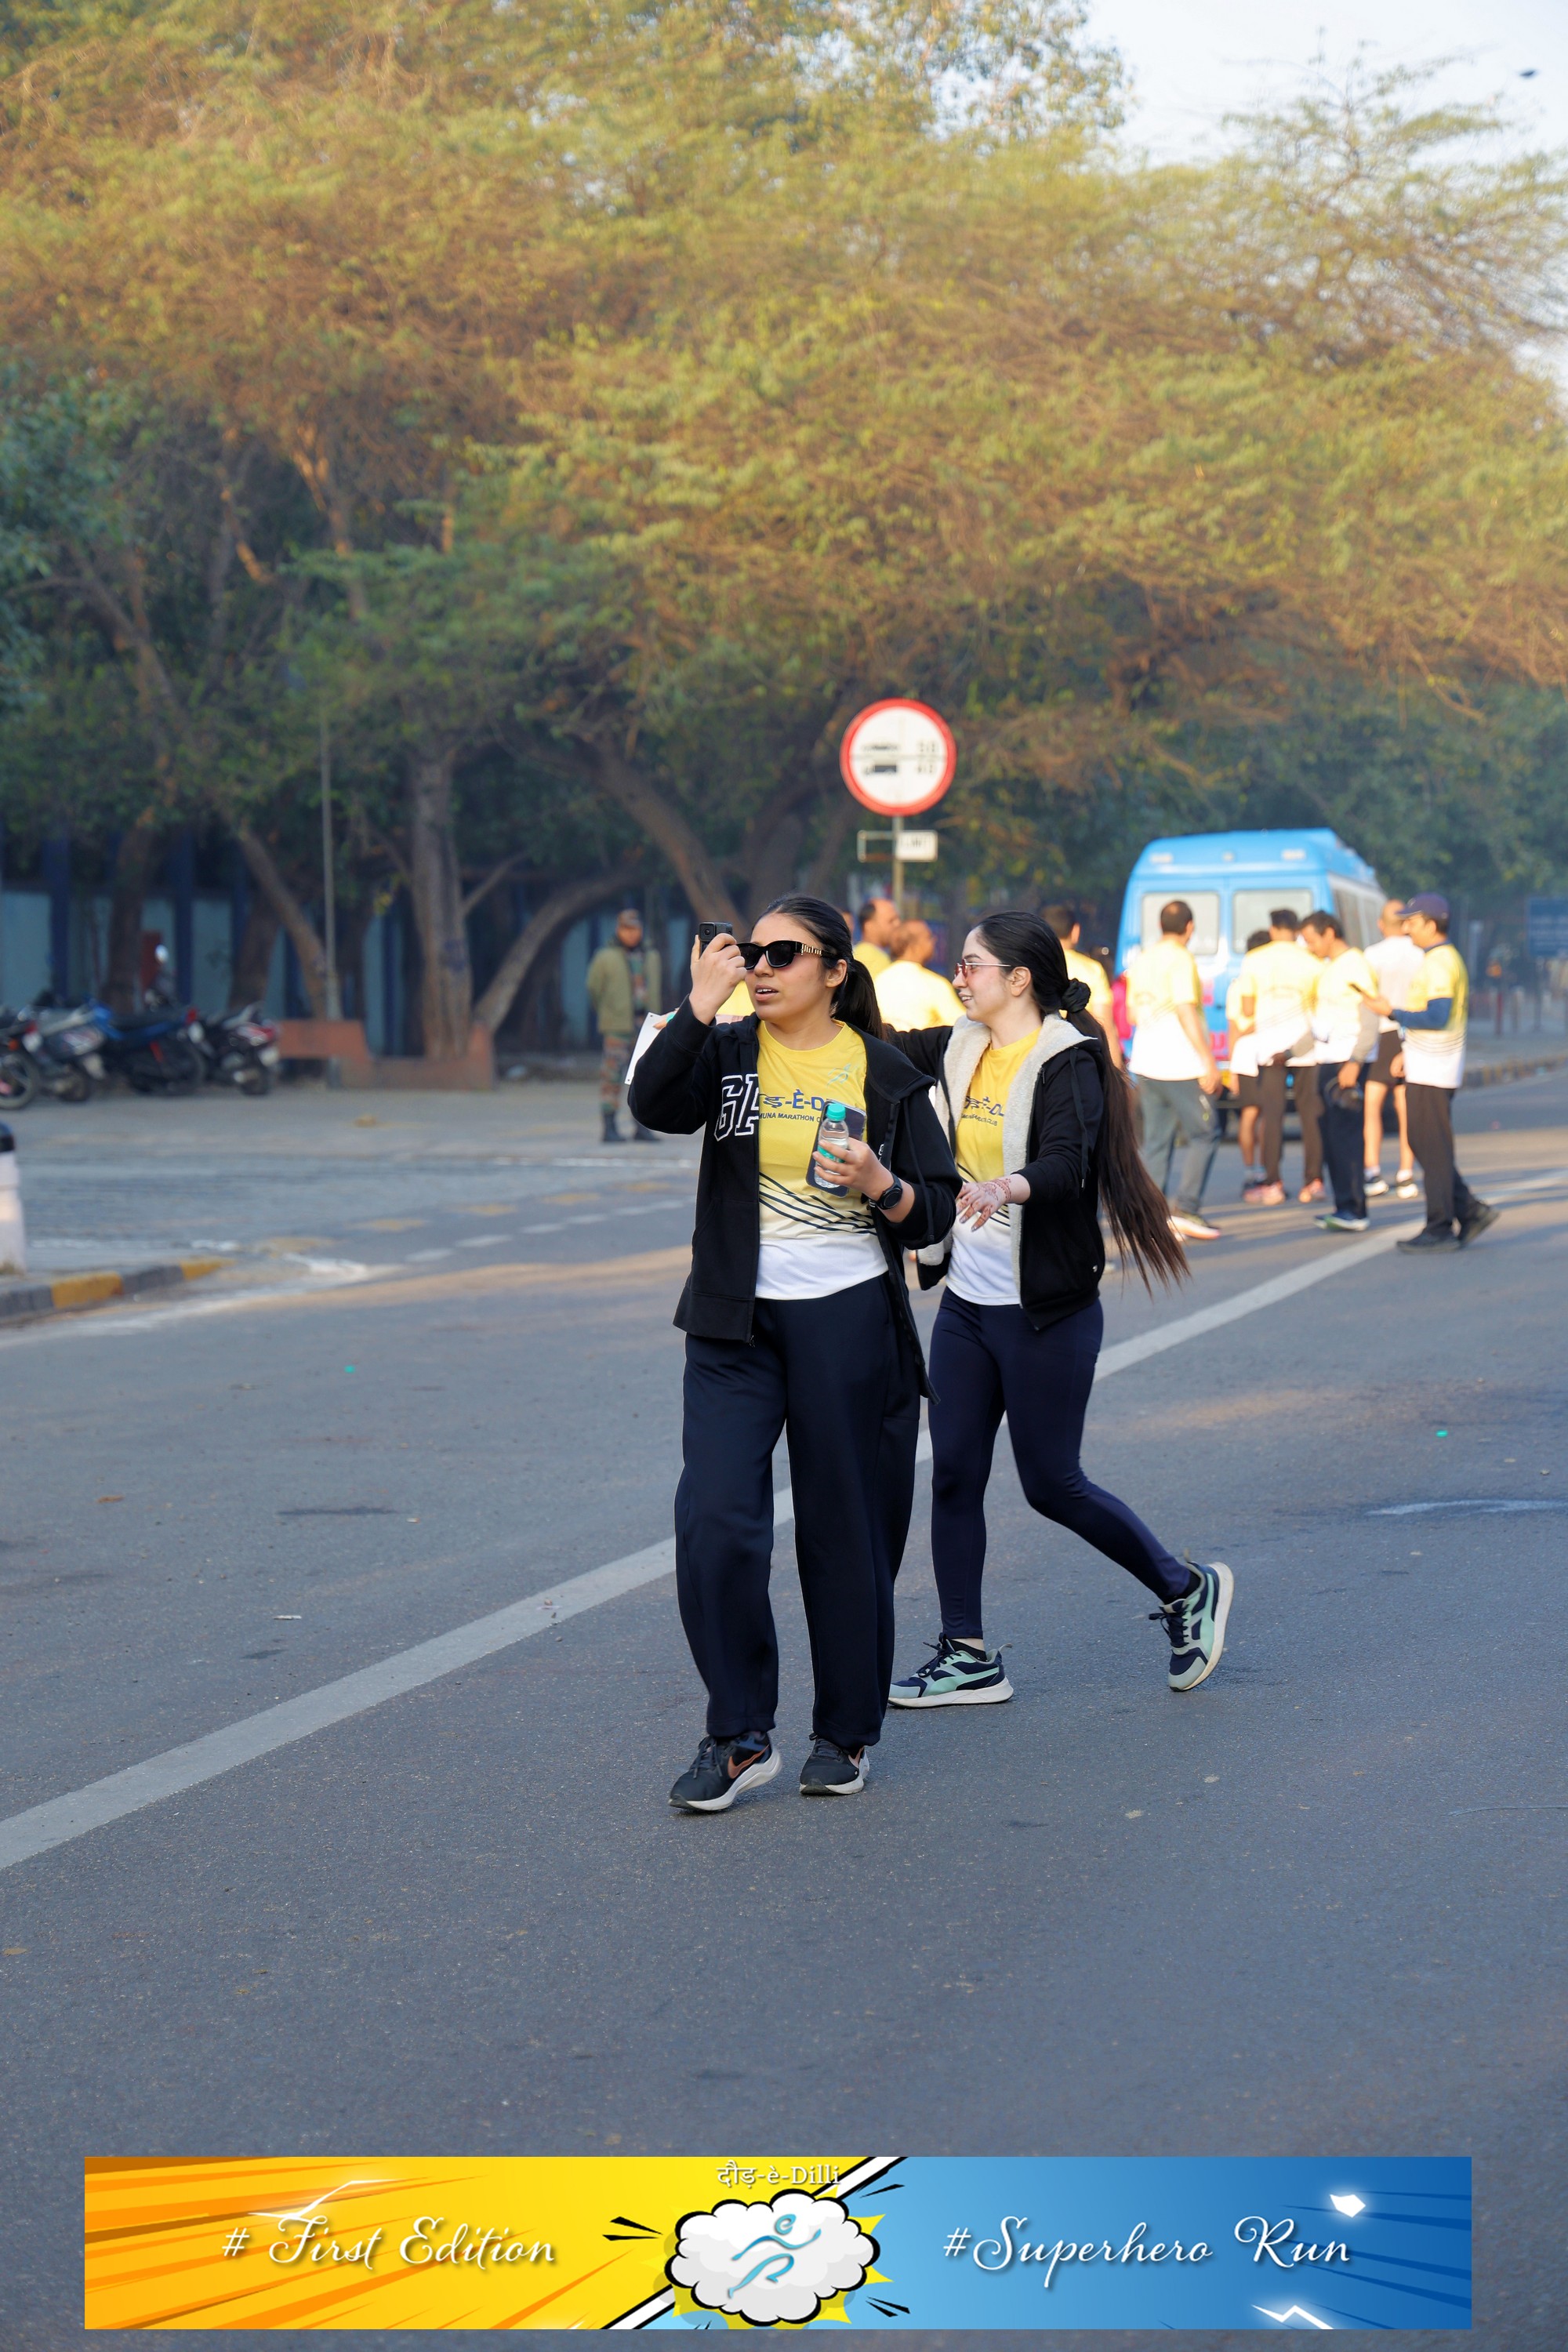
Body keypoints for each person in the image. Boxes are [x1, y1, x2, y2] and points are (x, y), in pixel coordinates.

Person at [627, 895, 960, 1809]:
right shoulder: (726, 1049)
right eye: (752, 953)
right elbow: (653, 1104)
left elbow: (932, 1210)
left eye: (784, 954)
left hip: (846, 1321)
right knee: (714, 1519)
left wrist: (880, 1182)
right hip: (732, 1320)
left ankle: (844, 1734)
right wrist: (698, 1005)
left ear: (834, 972)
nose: (761, 969)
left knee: (841, 1532)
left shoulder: (883, 1073)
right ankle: (738, 1732)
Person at [880, 912, 1232, 1710]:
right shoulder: (959, 1045)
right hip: (969, 1306)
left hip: (1045, 1311)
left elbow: (1068, 1163)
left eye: (971, 965)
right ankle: (966, 1654)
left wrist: (1008, 1185)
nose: (958, 977)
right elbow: (880, 1042)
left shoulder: (1065, 1060)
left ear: (1018, 979)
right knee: (953, 1474)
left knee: (1051, 1484)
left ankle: (1185, 1589)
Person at [1367, 894, 1498, 1255]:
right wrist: (1407, 1051)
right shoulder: (1437, 959)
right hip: (1427, 1062)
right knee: (1425, 1143)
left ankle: (1440, 1226)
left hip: (1435, 1068)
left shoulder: (1440, 962)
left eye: (1411, 921)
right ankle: (1469, 1211)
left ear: (1430, 923)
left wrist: (1392, 1012)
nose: (1406, 928)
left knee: (1431, 1146)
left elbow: (1437, 1016)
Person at [1126, 899, 1224, 1242]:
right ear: (1190, 927)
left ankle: (1154, 1219)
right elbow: (1185, 1009)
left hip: (1146, 1061)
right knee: (1206, 1133)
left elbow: (1133, 1014)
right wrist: (1208, 1060)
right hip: (1180, 1063)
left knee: (1157, 1142)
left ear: (1160, 925)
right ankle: (1186, 1209)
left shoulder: (1143, 959)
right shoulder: (1181, 959)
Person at [1301, 909, 1380, 1232]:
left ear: (1330, 933)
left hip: (1346, 1062)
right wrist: (1291, 1052)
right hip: (1327, 1059)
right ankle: (1343, 1206)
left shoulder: (1356, 965)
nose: (1310, 947)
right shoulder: (1329, 968)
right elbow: (1322, 1023)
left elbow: (1370, 1019)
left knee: (1346, 1137)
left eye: (1312, 940)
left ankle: (1356, 1209)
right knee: (1331, 1137)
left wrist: (1355, 1061)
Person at [1236, 910, 1321, 1205]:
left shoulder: (1254, 959)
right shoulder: (1311, 960)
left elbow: (1248, 1008)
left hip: (1269, 1047)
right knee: (1310, 1115)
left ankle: (1273, 1182)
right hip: (1306, 1047)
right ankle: (1314, 1182)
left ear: (1272, 929)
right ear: (1296, 931)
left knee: (1272, 1116)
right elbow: (1318, 1007)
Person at [586, 909, 663, 1145]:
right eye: (626, 929)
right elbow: (594, 989)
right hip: (617, 1026)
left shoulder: (651, 956)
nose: (632, 934)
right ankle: (609, 1126)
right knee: (611, 1076)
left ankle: (642, 1126)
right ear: (618, 930)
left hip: (646, 1026)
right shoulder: (605, 957)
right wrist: (609, 1012)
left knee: (644, 1077)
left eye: (635, 929)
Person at [1363, 898, 1422, 1200]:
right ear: (1407, 923)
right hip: (1410, 1032)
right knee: (1405, 1106)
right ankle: (1405, 1173)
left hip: (1380, 1033)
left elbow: (1364, 999)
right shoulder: (1420, 954)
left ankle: (1372, 1170)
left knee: (1372, 1104)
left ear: (1381, 924)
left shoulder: (1371, 955)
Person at [1041, 903, 1123, 1068]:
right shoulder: (1092, 969)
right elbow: (1105, 1024)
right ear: (1075, 931)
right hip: (1081, 1060)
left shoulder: (1031, 968)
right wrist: (1116, 1070)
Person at [1226, 928, 1271, 1189]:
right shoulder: (1266, 980)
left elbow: (1233, 1028)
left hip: (1243, 1053)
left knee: (1250, 1113)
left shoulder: (1237, 984)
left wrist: (1233, 1068)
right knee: (1265, 1113)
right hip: (1262, 1048)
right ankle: (1263, 1168)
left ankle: (1250, 1169)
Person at [873, 918, 966, 1029]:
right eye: (929, 937)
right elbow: (963, 1025)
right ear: (914, 946)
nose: (934, 941)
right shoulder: (933, 984)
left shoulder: (878, 981)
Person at [853, 896, 901, 977]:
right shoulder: (867, 958)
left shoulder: (879, 954)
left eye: (898, 919)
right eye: (891, 921)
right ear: (869, 926)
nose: (898, 924)